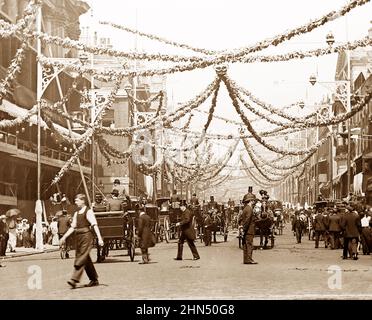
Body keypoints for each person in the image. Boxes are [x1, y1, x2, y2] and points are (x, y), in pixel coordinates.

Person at [59, 194, 104, 288]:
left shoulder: (88, 212)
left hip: (86, 236)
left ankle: (74, 279)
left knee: (81, 257)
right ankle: (94, 279)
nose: (75, 202)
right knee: (85, 258)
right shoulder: (76, 213)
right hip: (78, 237)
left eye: (77, 200)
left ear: (83, 201)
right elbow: (72, 227)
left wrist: (99, 238)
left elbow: (94, 225)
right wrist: (64, 237)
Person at [240, 192, 258, 264]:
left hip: (246, 230)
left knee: (245, 245)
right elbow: (247, 221)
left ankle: (246, 259)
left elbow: (243, 220)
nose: (254, 202)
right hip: (249, 230)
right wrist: (244, 229)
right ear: (250, 201)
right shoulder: (250, 209)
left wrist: (242, 229)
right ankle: (249, 259)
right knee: (249, 245)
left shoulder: (245, 209)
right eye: (253, 200)